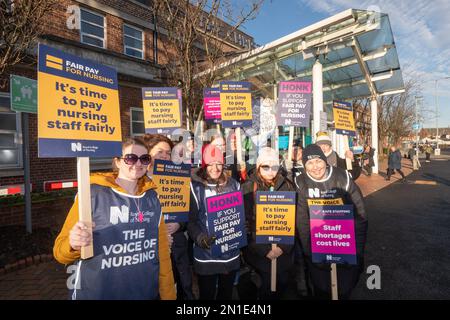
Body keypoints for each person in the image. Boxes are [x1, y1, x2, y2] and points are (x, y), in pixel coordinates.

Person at [53, 138, 176, 300]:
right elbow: (60, 253)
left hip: (143, 292)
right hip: (99, 291)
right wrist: (73, 244)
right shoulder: (92, 195)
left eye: (144, 159)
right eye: (130, 158)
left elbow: (162, 253)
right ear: (117, 162)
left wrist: (169, 295)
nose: (138, 164)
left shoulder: (153, 197)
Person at [295, 144, 368, 300]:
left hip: (345, 246)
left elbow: (360, 216)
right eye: (309, 163)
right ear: (304, 165)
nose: (315, 167)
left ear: (325, 161)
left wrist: (358, 251)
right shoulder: (301, 183)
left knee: (343, 289)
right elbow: (302, 223)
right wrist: (311, 253)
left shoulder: (342, 178)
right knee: (322, 290)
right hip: (319, 248)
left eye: (318, 161)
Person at [142, 134, 195, 300]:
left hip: (177, 246)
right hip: (150, 248)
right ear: (148, 153)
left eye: (168, 152)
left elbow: (190, 212)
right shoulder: (138, 180)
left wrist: (179, 225)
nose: (165, 156)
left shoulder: (177, 176)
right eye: (160, 151)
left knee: (184, 287)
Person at [188, 144, 241, 300]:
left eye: (219, 163)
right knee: (207, 294)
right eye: (211, 164)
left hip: (229, 252)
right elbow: (190, 221)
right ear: (204, 165)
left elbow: (238, 215)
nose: (215, 168)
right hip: (207, 254)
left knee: (226, 294)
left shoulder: (234, 184)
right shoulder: (195, 187)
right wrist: (199, 238)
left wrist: (241, 229)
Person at [242, 147, 296, 299]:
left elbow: (294, 219)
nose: (270, 171)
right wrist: (263, 250)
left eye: (274, 166)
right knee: (265, 287)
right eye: (266, 166)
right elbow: (245, 222)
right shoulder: (248, 187)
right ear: (258, 167)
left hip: (283, 249)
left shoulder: (288, 185)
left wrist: (283, 247)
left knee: (283, 283)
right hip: (259, 250)